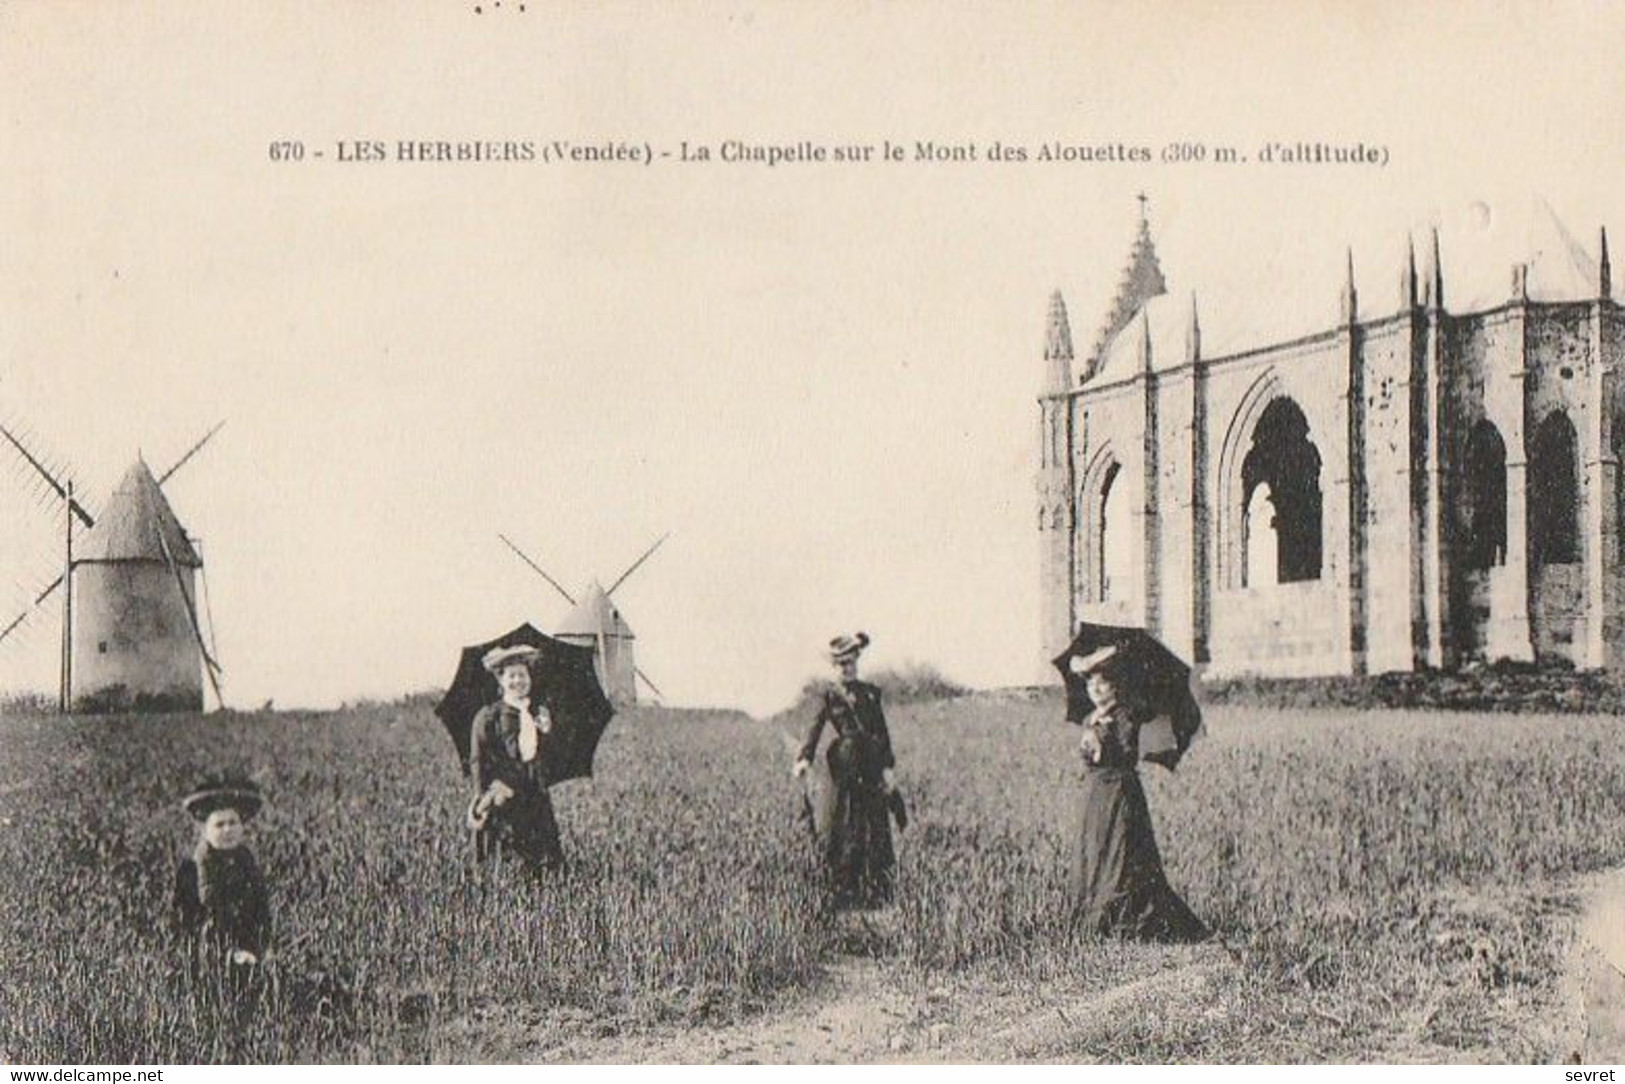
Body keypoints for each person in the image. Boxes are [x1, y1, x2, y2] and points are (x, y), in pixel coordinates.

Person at [1068, 644, 1207, 942]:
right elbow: (1088, 758)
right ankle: (1096, 917)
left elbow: (1125, 751)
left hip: (1120, 793)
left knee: (1123, 853)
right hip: (1095, 796)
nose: (1095, 688)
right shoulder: (1089, 718)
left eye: (1102, 682)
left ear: (1115, 686)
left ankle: (1127, 920)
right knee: (1096, 850)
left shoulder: (1125, 715)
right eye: (1090, 683)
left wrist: (1101, 741)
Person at [793, 632, 900, 909]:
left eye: (851, 662)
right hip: (844, 767)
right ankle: (842, 890)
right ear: (834, 666)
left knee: (875, 823)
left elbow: (882, 733)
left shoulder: (870, 694)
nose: (847, 668)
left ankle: (877, 891)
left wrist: (888, 767)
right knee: (840, 824)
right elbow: (813, 728)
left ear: (857, 662)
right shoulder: (829, 696)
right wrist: (804, 757)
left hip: (871, 766)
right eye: (842, 664)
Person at [468, 644, 566, 874]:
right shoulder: (489, 716)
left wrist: (548, 732)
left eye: (522, 675)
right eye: (511, 676)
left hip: (534, 794)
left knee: (543, 860)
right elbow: (478, 759)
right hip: (504, 795)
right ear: (501, 681)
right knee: (508, 861)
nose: (518, 681)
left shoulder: (538, 714)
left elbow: (546, 758)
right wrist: (484, 794)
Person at [173, 778, 273, 987]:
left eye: (233, 823)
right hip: (207, 963)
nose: (228, 830)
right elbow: (186, 925)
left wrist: (258, 948)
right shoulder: (191, 870)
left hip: (250, 955)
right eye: (219, 824)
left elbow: (261, 913)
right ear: (205, 830)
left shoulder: (248, 865)